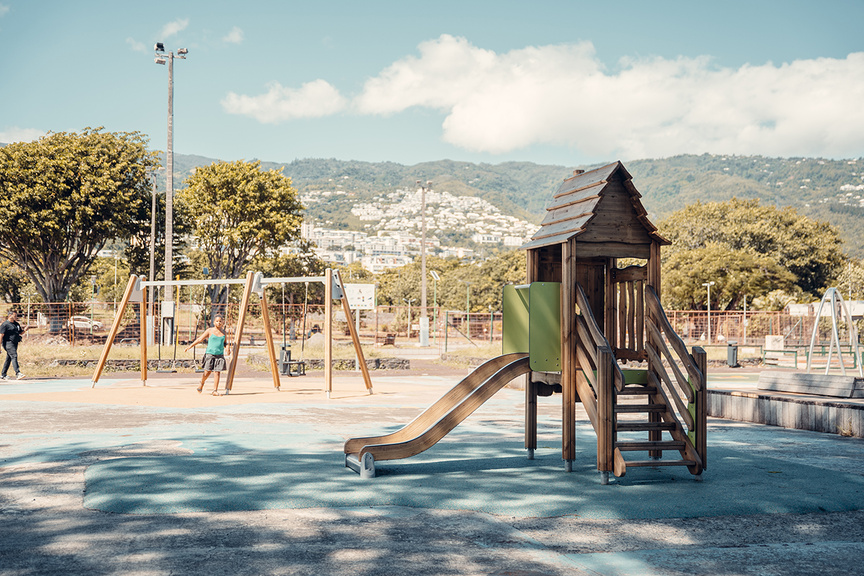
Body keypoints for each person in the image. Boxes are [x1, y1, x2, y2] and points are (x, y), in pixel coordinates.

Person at [185, 315, 232, 395]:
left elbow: (225, 343)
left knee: (217, 372)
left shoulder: (224, 332)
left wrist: (227, 348)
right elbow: (200, 339)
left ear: (222, 322)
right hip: (210, 354)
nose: (219, 323)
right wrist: (190, 346)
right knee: (207, 372)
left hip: (219, 355)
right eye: (217, 321)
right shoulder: (210, 331)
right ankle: (202, 383)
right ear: (214, 322)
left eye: (220, 321)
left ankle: (215, 390)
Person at [0, 311, 29, 380]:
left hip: (15, 343)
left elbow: (20, 333)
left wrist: (25, 330)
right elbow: (1, 336)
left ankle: (3, 374)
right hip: (8, 343)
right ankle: (18, 373)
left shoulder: (16, 324)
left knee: (9, 358)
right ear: (10, 315)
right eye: (15, 315)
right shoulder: (5, 324)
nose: (16, 317)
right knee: (14, 355)